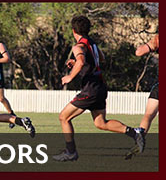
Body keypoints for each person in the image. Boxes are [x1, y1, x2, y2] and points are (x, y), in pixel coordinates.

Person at [52, 15, 144, 162]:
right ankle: (135, 133)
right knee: (101, 123)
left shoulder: (78, 46)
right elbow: (101, 58)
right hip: (100, 86)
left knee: (64, 117)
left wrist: (70, 76)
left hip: (90, 89)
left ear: (73, 30)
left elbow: (81, 61)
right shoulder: (92, 43)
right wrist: (76, 62)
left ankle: (70, 152)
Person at [125, 33, 159, 159]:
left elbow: (139, 52)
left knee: (148, 115)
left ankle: (139, 141)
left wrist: (152, 43)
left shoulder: (159, 38)